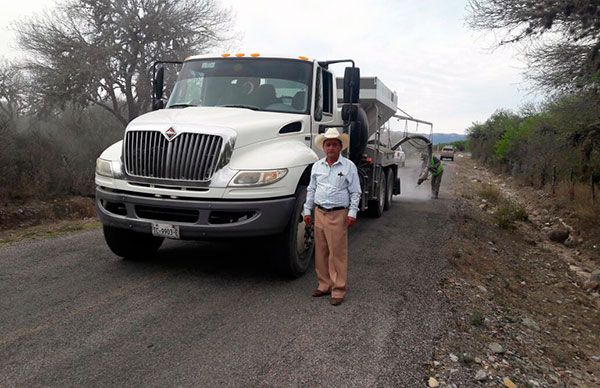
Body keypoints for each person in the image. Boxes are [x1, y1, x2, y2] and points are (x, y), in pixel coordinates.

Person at [303, 128, 362, 306]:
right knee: (320, 252)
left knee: (337, 253)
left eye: (334, 145)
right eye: (328, 145)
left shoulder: (349, 166)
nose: (331, 148)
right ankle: (324, 285)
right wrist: (307, 210)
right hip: (320, 213)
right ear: (323, 147)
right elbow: (311, 189)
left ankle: (338, 289)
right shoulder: (317, 166)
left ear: (340, 147)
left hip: (338, 214)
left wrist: (352, 212)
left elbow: (355, 192)